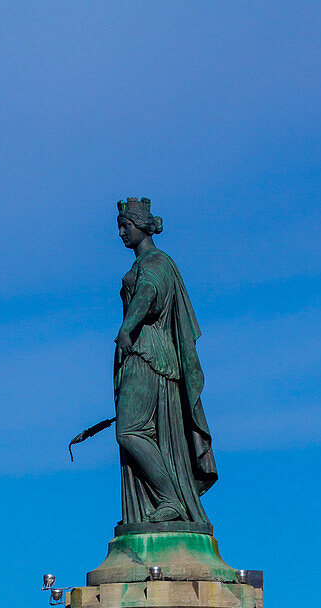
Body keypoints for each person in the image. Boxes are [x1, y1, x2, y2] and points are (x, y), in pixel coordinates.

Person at [115, 197, 217, 526]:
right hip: (148, 354)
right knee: (140, 432)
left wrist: (125, 330)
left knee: (130, 431)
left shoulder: (155, 261)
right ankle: (166, 498)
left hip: (149, 354)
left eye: (125, 225)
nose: (120, 232)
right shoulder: (151, 262)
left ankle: (170, 497)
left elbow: (148, 294)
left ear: (141, 226)